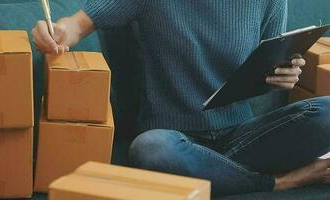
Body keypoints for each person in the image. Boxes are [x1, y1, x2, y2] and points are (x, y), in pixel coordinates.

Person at [32, 0, 330, 197]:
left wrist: (283, 78)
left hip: (242, 135)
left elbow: (266, 67)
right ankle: (283, 181)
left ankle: (218, 175)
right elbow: (77, 24)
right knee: (150, 149)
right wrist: (55, 32)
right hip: (173, 138)